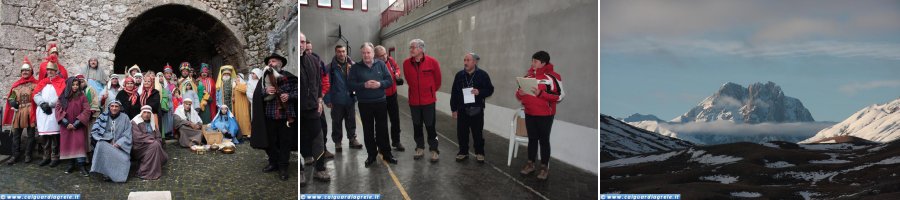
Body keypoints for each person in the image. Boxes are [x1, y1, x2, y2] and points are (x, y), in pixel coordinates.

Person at [252, 43, 303, 184]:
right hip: (269, 116)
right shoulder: (264, 79)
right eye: (269, 62)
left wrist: (289, 96)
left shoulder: (290, 78)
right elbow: (257, 94)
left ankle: (283, 167)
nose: (270, 63)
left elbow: (299, 92)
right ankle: (273, 162)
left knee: (285, 143)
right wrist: (265, 91)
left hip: (286, 117)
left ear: (280, 63)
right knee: (271, 142)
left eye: (273, 61)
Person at [515, 51, 564, 180]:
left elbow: (559, 96)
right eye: (532, 61)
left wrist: (541, 93)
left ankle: (544, 168)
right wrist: (520, 93)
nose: (532, 63)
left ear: (543, 63)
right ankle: (530, 164)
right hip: (529, 113)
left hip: (545, 115)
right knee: (532, 140)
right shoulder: (528, 75)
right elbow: (518, 95)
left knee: (544, 141)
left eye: (535, 61)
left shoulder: (553, 77)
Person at [350, 42, 397, 167]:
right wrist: (363, 85)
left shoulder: (381, 64)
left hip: (380, 102)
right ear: (361, 54)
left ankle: (387, 154)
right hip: (365, 104)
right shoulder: (355, 68)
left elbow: (389, 80)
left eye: (368, 52)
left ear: (373, 54)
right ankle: (371, 155)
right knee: (368, 130)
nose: (366, 55)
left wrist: (379, 84)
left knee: (382, 129)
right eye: (364, 53)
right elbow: (350, 85)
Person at [403, 39, 442, 162]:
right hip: (414, 102)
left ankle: (434, 150)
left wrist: (429, 92)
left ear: (421, 48)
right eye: (410, 47)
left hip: (428, 102)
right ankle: (419, 147)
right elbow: (408, 80)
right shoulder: (406, 63)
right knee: (417, 126)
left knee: (430, 126)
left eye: (413, 47)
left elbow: (438, 81)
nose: (411, 50)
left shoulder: (432, 62)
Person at [450, 53, 494, 163]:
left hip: (477, 109)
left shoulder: (483, 75)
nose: (465, 62)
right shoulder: (459, 75)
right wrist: (454, 109)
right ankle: (463, 152)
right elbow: (454, 93)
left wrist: (479, 92)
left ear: (475, 62)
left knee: (477, 133)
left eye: (468, 60)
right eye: (464, 60)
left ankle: (479, 152)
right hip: (462, 109)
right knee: (462, 133)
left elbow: (490, 89)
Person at [325, 45, 362, 152]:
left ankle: (352, 139)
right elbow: (326, 84)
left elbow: (358, 81)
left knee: (351, 120)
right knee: (336, 122)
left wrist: (357, 95)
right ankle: (337, 142)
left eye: (343, 51)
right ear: (335, 52)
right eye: (339, 51)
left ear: (346, 52)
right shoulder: (330, 68)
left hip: (350, 99)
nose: (341, 54)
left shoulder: (353, 65)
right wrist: (327, 100)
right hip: (336, 100)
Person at [3, 56, 38, 165]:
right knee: (16, 134)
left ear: (31, 71)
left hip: (30, 111)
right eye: (23, 70)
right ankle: (15, 155)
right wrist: (12, 101)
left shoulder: (35, 84)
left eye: (27, 70)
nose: (25, 72)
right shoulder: (16, 85)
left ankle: (28, 154)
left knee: (31, 134)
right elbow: (12, 96)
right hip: (18, 112)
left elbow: (38, 96)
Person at [33, 58, 66, 167]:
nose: (50, 72)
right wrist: (42, 104)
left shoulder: (61, 82)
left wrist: (50, 104)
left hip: (53, 111)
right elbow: (36, 94)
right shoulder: (43, 82)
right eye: (48, 70)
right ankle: (46, 156)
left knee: (54, 135)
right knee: (44, 136)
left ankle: (54, 157)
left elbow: (61, 96)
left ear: (56, 71)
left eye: (52, 70)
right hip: (42, 111)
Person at [55, 77, 91, 176]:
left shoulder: (82, 96)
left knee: (79, 144)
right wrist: (65, 122)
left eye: (77, 85)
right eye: (73, 84)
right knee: (68, 144)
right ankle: (70, 164)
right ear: (69, 85)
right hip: (66, 126)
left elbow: (87, 110)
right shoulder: (63, 96)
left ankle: (81, 165)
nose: (75, 87)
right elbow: (58, 109)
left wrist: (77, 123)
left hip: (78, 125)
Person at [90, 100, 133, 182]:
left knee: (124, 159)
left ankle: (116, 176)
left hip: (121, 146)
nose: (114, 108)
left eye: (116, 106)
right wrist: (108, 140)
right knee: (100, 145)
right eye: (112, 106)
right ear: (109, 107)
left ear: (120, 108)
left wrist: (118, 143)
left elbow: (128, 134)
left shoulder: (125, 118)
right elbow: (95, 132)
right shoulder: (102, 116)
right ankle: (104, 173)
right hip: (107, 144)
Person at [305, 41, 333, 160]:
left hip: (317, 102)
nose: (310, 52)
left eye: (311, 49)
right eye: (307, 50)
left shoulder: (318, 62)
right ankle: (307, 154)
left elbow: (325, 80)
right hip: (305, 104)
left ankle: (323, 150)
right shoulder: (302, 62)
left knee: (322, 127)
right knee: (306, 130)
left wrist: (320, 97)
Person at [374, 45, 405, 151]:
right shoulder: (374, 65)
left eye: (384, 54)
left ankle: (396, 141)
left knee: (395, 119)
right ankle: (381, 143)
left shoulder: (390, 60)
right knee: (381, 121)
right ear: (376, 56)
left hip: (392, 95)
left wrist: (397, 74)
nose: (384, 57)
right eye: (380, 56)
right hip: (380, 97)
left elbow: (397, 68)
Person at [131, 105, 168, 180]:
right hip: (139, 146)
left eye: (148, 113)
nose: (146, 114)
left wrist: (156, 141)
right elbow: (137, 137)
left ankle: (150, 170)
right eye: (144, 112)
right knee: (154, 145)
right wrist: (151, 140)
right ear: (141, 113)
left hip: (152, 144)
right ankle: (143, 172)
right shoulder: (135, 122)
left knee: (155, 145)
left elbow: (158, 135)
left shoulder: (152, 122)